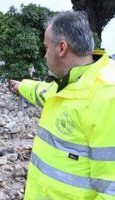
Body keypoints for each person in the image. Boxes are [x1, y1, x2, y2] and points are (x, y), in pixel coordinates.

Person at [10, 11, 115, 199]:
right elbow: (42, 92)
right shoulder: (70, 84)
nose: (44, 55)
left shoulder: (108, 97)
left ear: (61, 48)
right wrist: (21, 86)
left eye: (46, 47)